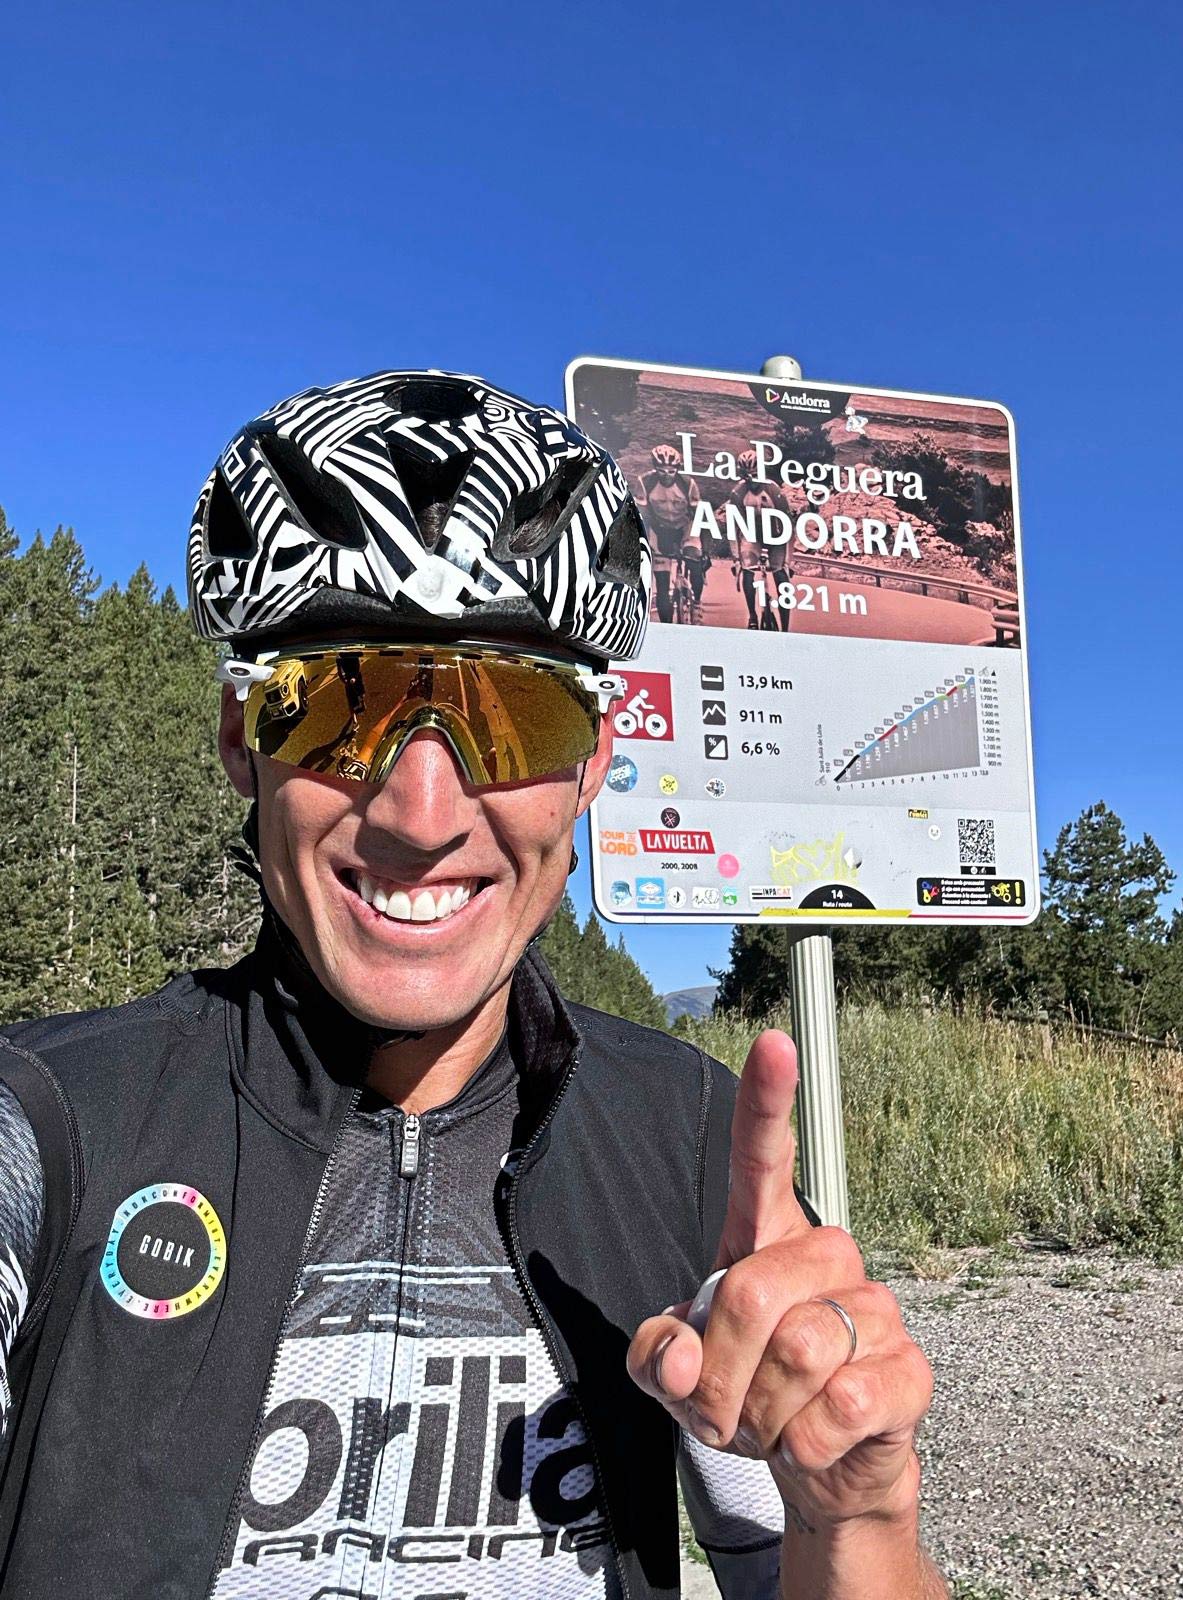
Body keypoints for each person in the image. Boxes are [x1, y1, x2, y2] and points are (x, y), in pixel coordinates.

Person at [0, 371, 945, 1600]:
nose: (425, 813)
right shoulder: (51, 1123)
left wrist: (855, 1515)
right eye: (340, 704)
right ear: (242, 738)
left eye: (520, 718)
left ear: (596, 760)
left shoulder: (686, 1141)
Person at [634, 444, 707, 623]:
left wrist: (704, 547)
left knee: (694, 559)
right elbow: (643, 515)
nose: (667, 475)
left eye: (671, 471)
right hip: (659, 529)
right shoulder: (645, 482)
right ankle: (667, 625)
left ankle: (696, 602)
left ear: (677, 469)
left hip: (685, 528)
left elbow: (699, 516)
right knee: (662, 581)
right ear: (655, 468)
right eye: (662, 470)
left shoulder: (688, 484)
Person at [728, 449, 795, 631]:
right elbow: (733, 528)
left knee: (781, 575)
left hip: (776, 537)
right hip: (752, 537)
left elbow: (789, 525)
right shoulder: (738, 493)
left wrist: (788, 561)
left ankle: (785, 626)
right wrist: (736, 559)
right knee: (747, 569)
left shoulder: (773, 489)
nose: (752, 480)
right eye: (747, 476)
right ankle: (752, 614)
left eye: (756, 475)